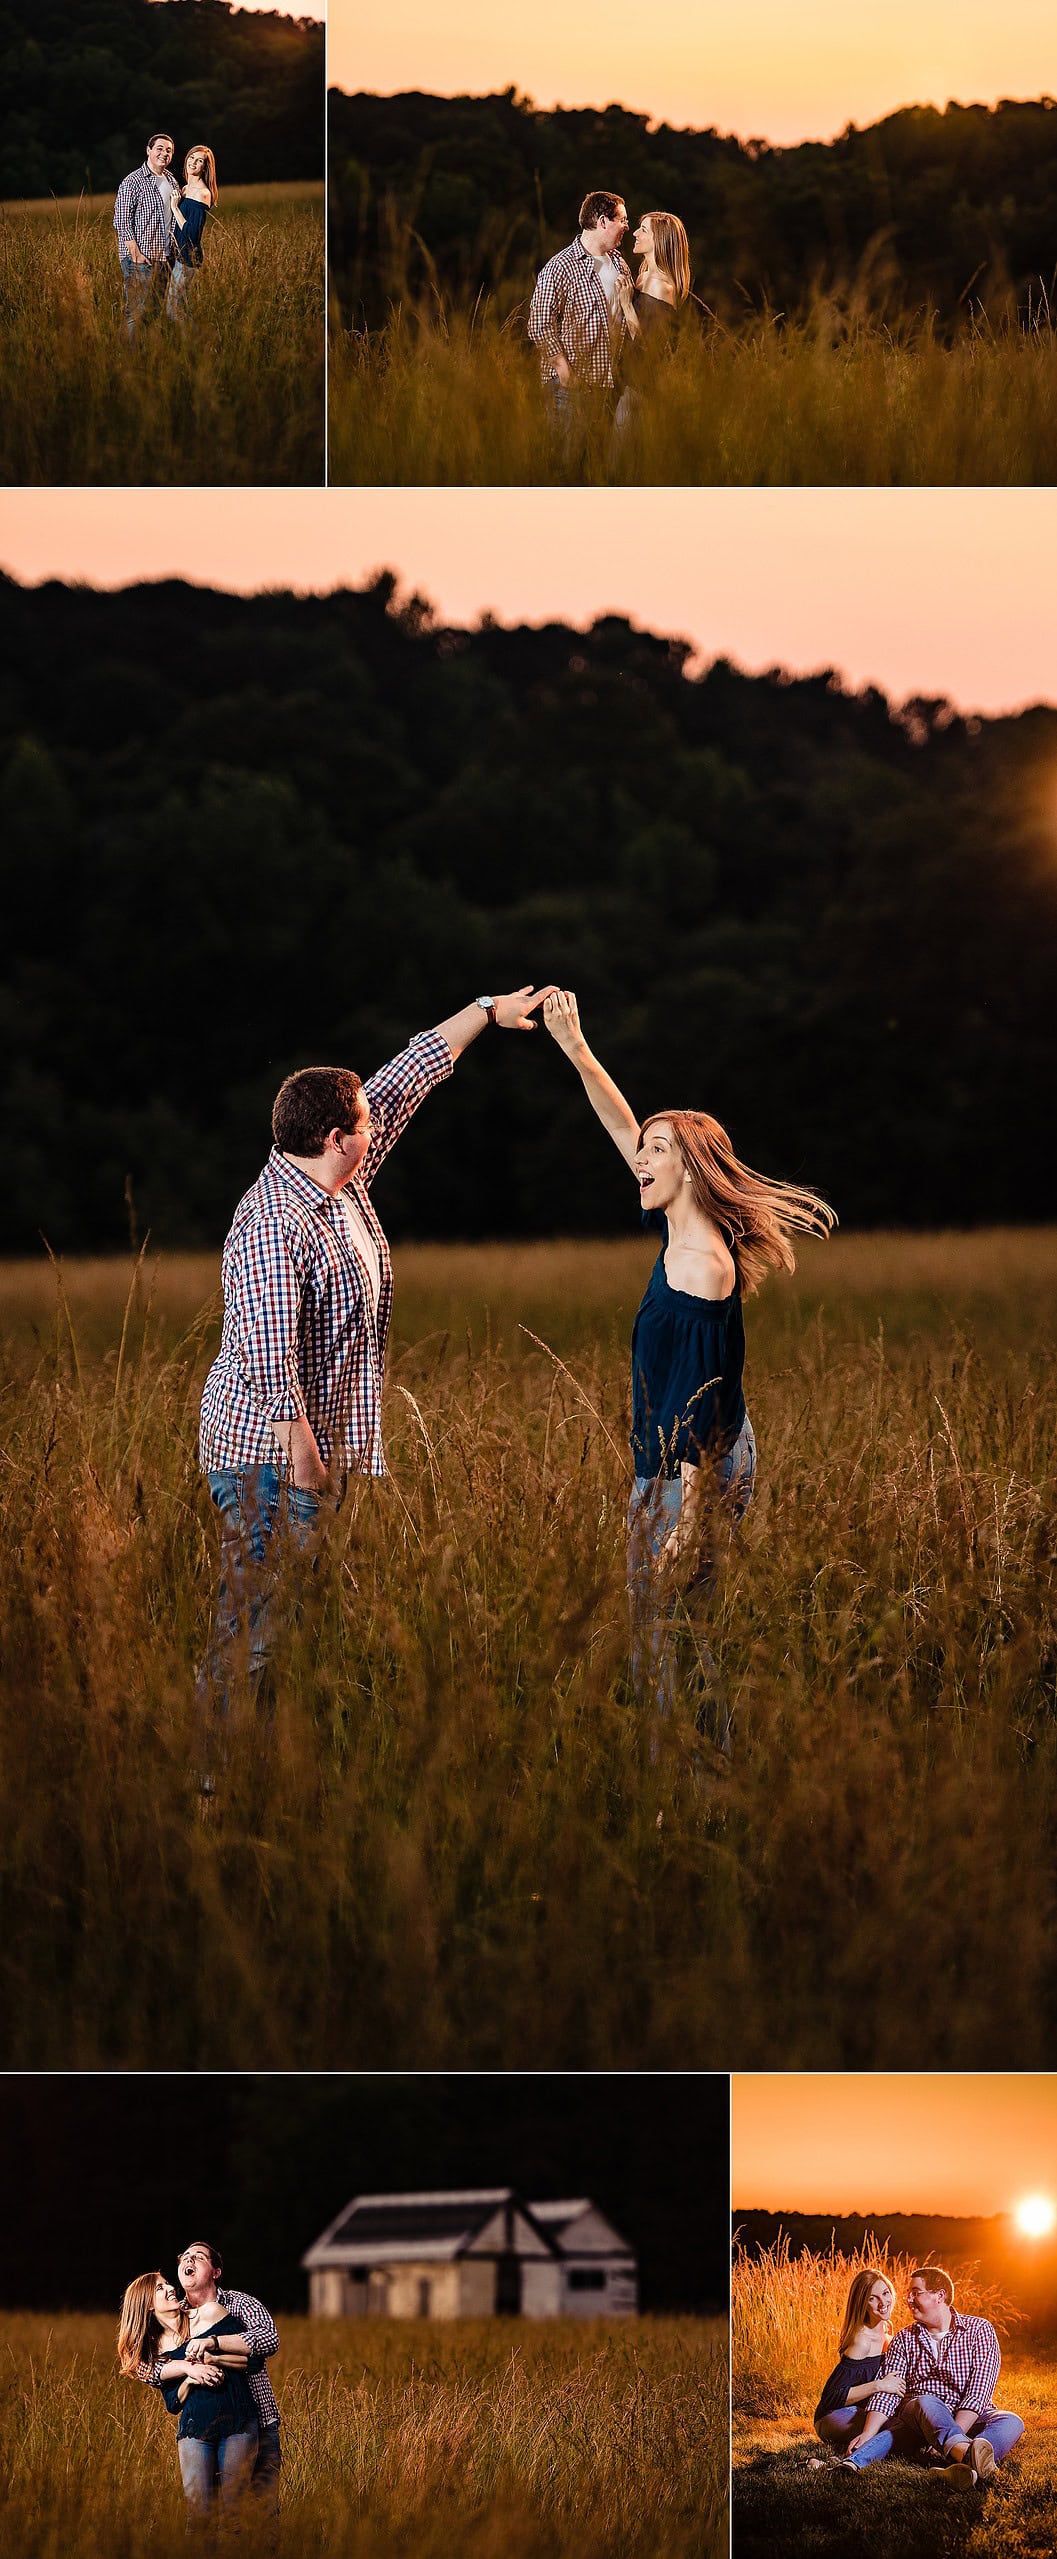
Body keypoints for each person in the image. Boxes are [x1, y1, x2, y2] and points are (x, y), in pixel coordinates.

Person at [197, 991, 553, 1738]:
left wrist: (486, 1012)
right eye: (364, 1124)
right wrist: (307, 1466)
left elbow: (402, 1080)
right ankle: (210, 1779)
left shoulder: (337, 1179)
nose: (376, 1124)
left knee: (289, 1622)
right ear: (336, 1136)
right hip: (272, 1455)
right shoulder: (274, 1221)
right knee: (255, 1623)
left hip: (312, 1450)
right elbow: (268, 1356)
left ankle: (267, 1765)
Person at [541, 988, 835, 1739]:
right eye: (643, 1149)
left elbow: (697, 1408)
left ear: (693, 1170)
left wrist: (679, 1518)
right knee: (677, 1626)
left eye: (658, 1149)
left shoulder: (702, 1264)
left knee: (664, 1630)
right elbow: (618, 1121)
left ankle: (688, 1783)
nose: (640, 1157)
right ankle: (697, 1766)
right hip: (689, 1457)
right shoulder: (675, 1219)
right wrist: (576, 1047)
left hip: (690, 1465)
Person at [836, 2266, 1025, 2484]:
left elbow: (980, 2390)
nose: (908, 2299)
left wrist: (954, 2431)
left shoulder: (979, 2330)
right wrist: (868, 2432)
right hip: (920, 2417)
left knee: (1011, 2420)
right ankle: (970, 2459)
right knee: (926, 2401)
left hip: (968, 2416)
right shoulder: (904, 2339)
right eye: (909, 2294)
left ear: (940, 2295)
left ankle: (961, 2466)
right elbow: (889, 2392)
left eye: (916, 2292)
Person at [137, 2242, 283, 2513]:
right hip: (203, 2425)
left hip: (258, 2421)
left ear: (215, 2272)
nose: (188, 2260)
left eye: (199, 2257)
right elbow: (144, 2367)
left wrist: (214, 2344)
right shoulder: (173, 2314)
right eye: (185, 2257)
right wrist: (187, 2369)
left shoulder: (240, 2304)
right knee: (206, 2516)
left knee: (260, 2515)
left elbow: (267, 2341)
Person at [527, 192, 633, 416]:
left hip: (610, 388)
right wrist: (565, 373)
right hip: (569, 391)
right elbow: (539, 325)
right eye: (622, 220)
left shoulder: (620, 265)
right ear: (603, 221)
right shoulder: (560, 266)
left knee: (601, 452)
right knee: (568, 452)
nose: (627, 226)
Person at [613, 211, 696, 432]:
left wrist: (627, 305)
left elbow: (647, 352)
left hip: (638, 391)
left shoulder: (662, 287)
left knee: (620, 464)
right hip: (623, 384)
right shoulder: (643, 276)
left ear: (658, 240)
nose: (635, 234)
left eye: (644, 230)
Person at [812, 2270, 902, 2456]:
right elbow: (831, 2397)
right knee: (898, 2430)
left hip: (863, 2410)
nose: (883, 2303)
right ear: (862, 2303)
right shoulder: (862, 2341)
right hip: (834, 2415)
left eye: (885, 2293)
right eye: (872, 2298)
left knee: (906, 2424)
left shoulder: (888, 2333)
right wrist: (880, 2385)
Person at [113, 134, 179, 338]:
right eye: (159, 148)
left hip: (165, 258)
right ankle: (127, 359)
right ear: (148, 150)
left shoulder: (171, 180)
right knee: (136, 312)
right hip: (140, 259)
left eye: (168, 150)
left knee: (155, 311)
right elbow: (121, 220)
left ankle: (148, 357)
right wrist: (136, 255)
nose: (164, 153)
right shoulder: (133, 181)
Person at [167, 145, 218, 319]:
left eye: (200, 161)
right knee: (180, 305)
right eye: (191, 157)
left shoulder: (203, 193)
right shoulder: (186, 189)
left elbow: (191, 234)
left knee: (173, 310)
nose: (193, 163)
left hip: (188, 257)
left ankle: (191, 342)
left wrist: (175, 208)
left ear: (205, 167)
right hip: (177, 254)